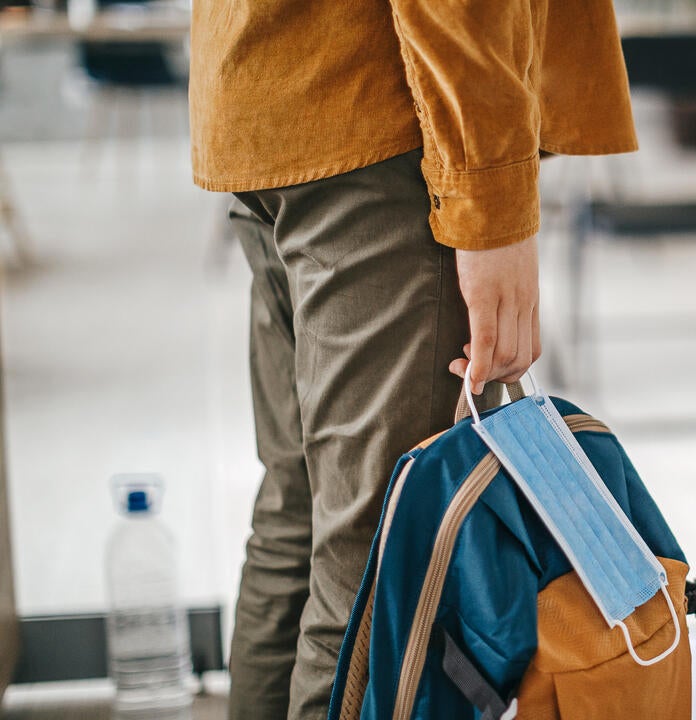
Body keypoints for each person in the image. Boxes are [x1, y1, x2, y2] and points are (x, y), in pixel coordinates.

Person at [187, 1, 639, 717]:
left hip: (267, 92)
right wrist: (490, 204)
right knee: (374, 574)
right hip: (383, 110)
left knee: (298, 522)